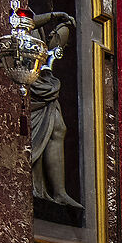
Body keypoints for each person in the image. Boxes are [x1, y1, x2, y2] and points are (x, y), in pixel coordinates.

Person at [25, 12, 79, 210]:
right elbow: (22, 23)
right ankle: (40, 188)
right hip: (25, 78)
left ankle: (60, 192)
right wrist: (53, 16)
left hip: (42, 79)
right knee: (42, 131)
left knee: (59, 128)